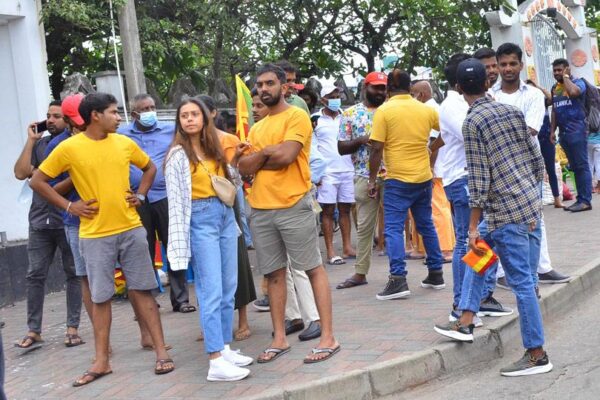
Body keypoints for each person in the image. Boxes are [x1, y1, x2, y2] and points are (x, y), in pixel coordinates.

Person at [30, 93, 174, 386]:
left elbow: (150, 167)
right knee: (100, 297)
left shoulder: (123, 142)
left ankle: (161, 352)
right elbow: (37, 181)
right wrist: (70, 206)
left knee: (144, 290)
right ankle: (101, 361)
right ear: (95, 115)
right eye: (113, 112)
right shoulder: (70, 148)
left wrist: (142, 195)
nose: (119, 117)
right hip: (94, 235)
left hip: (131, 228)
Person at [434, 58, 553, 377]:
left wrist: (471, 225)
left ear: (459, 89)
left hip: (504, 214)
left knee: (522, 283)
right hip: (521, 207)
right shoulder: (512, 111)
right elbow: (535, 158)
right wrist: (534, 204)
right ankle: (467, 319)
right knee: (478, 258)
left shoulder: (472, 122)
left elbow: (479, 178)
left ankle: (537, 354)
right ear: (488, 83)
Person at [238, 63, 339, 363]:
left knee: (312, 268)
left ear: (284, 86)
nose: (264, 89)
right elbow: (243, 167)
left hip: (294, 204)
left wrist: (263, 155)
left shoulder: (297, 116)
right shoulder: (257, 127)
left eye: (270, 83)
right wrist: (269, 153)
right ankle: (279, 339)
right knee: (274, 275)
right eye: (260, 84)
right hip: (261, 208)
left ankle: (328, 337)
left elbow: (287, 156)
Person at [164, 97, 253, 381]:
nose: (189, 119)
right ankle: (215, 359)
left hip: (224, 215)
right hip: (199, 219)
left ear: (205, 118)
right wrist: (179, 242)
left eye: (194, 114)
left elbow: (233, 183)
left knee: (229, 286)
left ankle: (224, 348)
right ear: (179, 122)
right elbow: (176, 203)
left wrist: (235, 162)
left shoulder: (215, 149)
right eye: (184, 115)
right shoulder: (177, 155)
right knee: (210, 289)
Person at [488, 44, 571, 294]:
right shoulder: (491, 96)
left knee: (534, 221)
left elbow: (531, 130)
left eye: (512, 63)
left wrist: (500, 135)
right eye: (503, 64)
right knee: (495, 225)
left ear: (521, 65)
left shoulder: (534, 95)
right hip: (497, 171)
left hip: (527, 168)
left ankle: (540, 269)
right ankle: (502, 275)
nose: (507, 68)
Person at [368, 69, 445, 301]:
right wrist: (431, 149)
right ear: (409, 87)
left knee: (393, 228)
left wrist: (372, 179)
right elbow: (446, 132)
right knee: (426, 224)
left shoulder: (384, 111)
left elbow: (376, 148)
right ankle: (436, 273)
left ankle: (398, 279)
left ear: (389, 88)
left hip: (397, 179)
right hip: (423, 177)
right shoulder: (425, 109)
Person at [13, 100, 83, 351]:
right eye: (48, 116)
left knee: (73, 273)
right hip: (39, 221)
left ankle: (72, 327)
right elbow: (21, 173)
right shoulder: (41, 145)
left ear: (68, 121)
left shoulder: (73, 146)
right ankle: (34, 330)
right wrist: (31, 140)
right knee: (35, 275)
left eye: (57, 116)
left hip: (67, 218)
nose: (51, 120)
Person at [117, 94, 195, 314]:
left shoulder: (170, 130)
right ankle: (148, 300)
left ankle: (181, 299)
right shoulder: (122, 134)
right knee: (143, 249)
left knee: (174, 246)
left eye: (152, 107)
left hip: (166, 196)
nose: (150, 112)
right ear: (134, 114)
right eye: (144, 109)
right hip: (135, 199)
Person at [198, 94, 257, 342]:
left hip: (228, 204)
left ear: (212, 113)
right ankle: (211, 324)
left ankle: (242, 320)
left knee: (236, 264)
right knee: (206, 271)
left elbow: (235, 177)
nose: (195, 118)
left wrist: (232, 159)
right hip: (201, 211)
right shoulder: (188, 144)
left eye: (199, 112)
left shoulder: (228, 140)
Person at [434, 53, 485, 328]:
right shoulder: (452, 105)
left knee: (478, 241)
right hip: (462, 179)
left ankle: (475, 300)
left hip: (473, 178)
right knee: (468, 241)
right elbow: (472, 134)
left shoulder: (465, 102)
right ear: (459, 82)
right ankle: (460, 304)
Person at [336, 71, 387, 289]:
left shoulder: (391, 110)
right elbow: (341, 147)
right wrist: (361, 140)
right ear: (365, 88)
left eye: (384, 87)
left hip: (393, 174)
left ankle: (398, 273)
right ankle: (360, 272)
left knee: (394, 226)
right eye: (376, 87)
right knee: (365, 227)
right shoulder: (349, 114)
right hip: (364, 176)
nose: (381, 92)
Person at [410, 80, 455, 262]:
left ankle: (445, 249)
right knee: (427, 209)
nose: (411, 98)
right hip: (432, 168)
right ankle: (422, 248)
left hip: (435, 169)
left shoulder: (430, 110)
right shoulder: (429, 109)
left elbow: (433, 144)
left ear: (420, 95)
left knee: (438, 208)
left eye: (413, 94)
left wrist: (429, 167)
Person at [314, 84, 356, 265]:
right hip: (327, 172)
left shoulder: (346, 116)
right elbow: (312, 148)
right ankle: (331, 250)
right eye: (332, 95)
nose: (336, 97)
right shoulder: (315, 119)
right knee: (328, 211)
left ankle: (347, 248)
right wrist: (316, 174)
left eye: (337, 94)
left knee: (346, 209)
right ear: (323, 99)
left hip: (347, 169)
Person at [551, 58, 593, 212]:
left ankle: (585, 201)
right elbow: (555, 110)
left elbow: (575, 93)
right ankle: (580, 199)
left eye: (560, 70)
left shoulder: (578, 83)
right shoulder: (555, 88)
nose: (556, 73)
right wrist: (552, 132)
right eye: (554, 70)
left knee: (581, 166)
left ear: (567, 69)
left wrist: (567, 78)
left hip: (578, 131)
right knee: (574, 167)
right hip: (564, 134)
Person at [526, 80, 564, 208]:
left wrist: (538, 87)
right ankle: (536, 201)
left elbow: (551, 99)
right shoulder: (525, 105)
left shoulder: (541, 101)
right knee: (533, 171)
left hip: (546, 138)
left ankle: (557, 199)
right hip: (531, 140)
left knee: (550, 169)